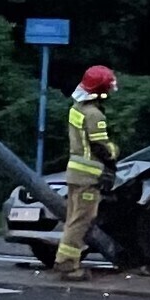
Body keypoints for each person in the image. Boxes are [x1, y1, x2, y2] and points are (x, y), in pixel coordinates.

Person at [53, 65, 119, 281]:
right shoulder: (95, 115)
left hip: (74, 172)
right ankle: (67, 264)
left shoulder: (77, 109)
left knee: (73, 218)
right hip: (88, 176)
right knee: (82, 219)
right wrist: (113, 152)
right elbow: (100, 146)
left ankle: (65, 259)